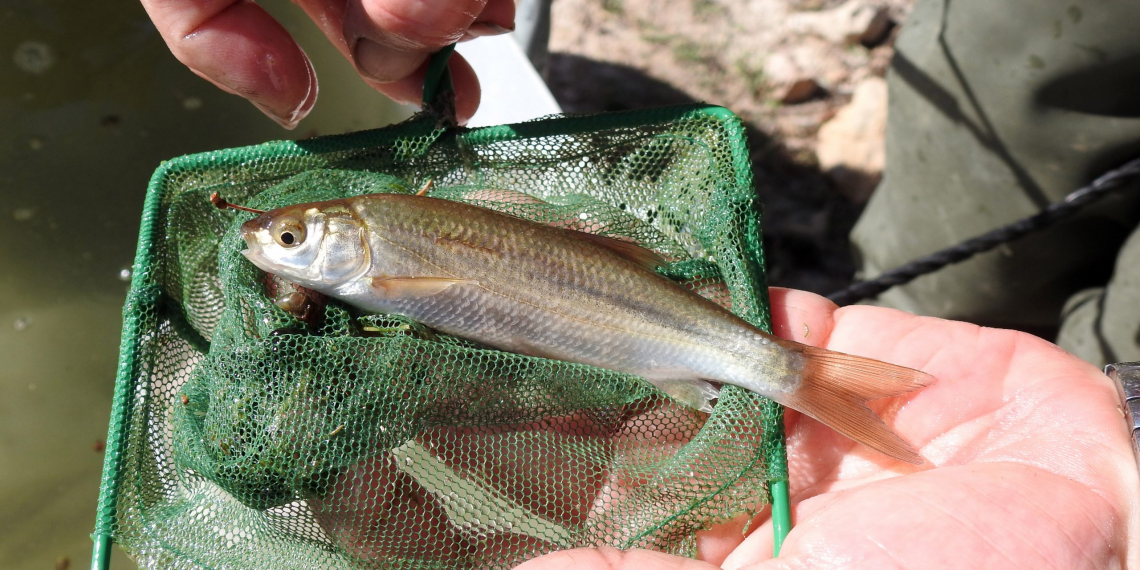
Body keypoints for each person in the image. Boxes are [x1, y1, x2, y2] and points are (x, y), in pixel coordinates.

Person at [141, 1, 1139, 568]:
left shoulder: (385, 255)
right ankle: (983, 358)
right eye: (283, 237)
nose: (273, 247)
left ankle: (901, 377)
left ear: (350, 239)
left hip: (657, 328)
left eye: (290, 236)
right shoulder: (380, 256)